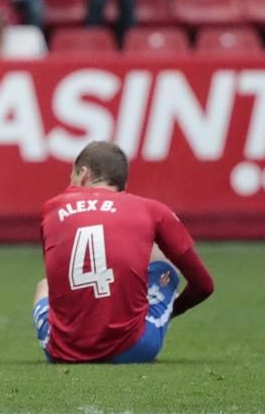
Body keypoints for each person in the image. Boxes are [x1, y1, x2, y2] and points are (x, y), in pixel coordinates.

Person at [33, 141, 215, 364]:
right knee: (161, 254)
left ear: (83, 174)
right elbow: (204, 285)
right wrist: (170, 312)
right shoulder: (151, 210)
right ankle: (150, 314)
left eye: (71, 177)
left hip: (61, 351)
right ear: (124, 183)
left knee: (45, 285)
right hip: (133, 348)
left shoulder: (51, 207)